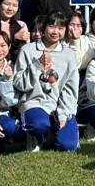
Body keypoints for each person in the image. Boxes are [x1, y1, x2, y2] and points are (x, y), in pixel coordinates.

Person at [14, 11, 81, 152]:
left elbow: (70, 89)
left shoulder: (69, 55)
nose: (56, 32)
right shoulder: (28, 50)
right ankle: (35, 136)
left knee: (68, 146)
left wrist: (63, 115)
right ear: (43, 28)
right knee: (40, 125)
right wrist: (37, 65)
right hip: (34, 103)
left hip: (59, 106)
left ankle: (51, 136)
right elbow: (19, 84)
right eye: (52, 26)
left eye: (61, 28)